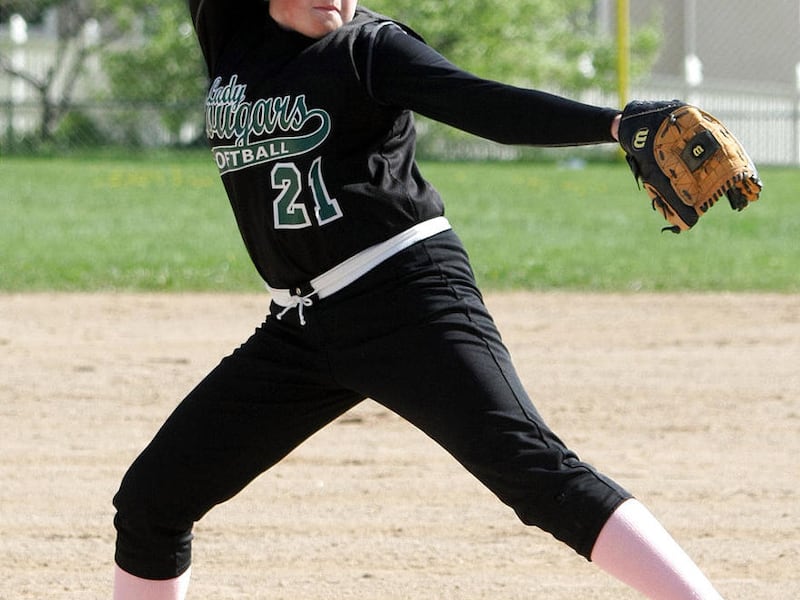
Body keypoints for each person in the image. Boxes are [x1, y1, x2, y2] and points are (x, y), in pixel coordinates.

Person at [112, 1, 727, 598]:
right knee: (152, 502)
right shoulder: (227, 27)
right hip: (298, 328)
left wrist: (612, 126)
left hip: (408, 298)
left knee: (535, 473)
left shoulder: (368, 48)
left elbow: (482, 103)